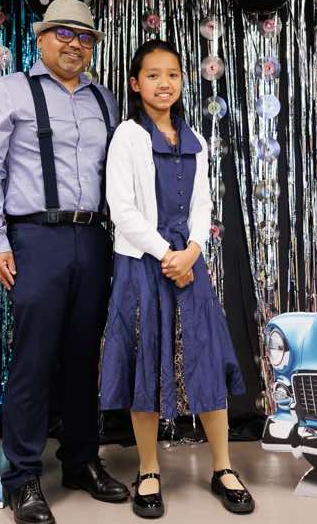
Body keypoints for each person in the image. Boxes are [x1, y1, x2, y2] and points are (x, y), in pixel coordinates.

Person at [0, 0, 129, 524]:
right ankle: (21, 476)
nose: (74, 44)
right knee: (34, 357)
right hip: (35, 237)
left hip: (93, 237)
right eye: (64, 33)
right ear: (41, 38)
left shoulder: (104, 98)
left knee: (84, 356)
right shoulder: (10, 90)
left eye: (85, 37)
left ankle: (81, 461)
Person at [100, 40, 254, 518]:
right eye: (152, 75)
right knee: (145, 360)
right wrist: (167, 254)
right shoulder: (127, 136)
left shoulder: (196, 139)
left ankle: (223, 467)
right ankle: (148, 469)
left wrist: (192, 251)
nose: (163, 83)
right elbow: (122, 210)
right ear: (135, 84)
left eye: (172, 74)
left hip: (188, 263)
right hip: (143, 265)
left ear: (183, 81)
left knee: (204, 358)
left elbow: (204, 204)